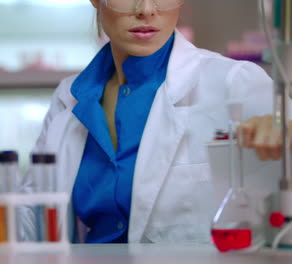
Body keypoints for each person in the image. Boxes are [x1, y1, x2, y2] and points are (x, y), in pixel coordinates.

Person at [20, 0, 282, 244]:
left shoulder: (235, 82)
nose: (146, 9)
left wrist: (284, 135)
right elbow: (32, 218)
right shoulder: (70, 97)